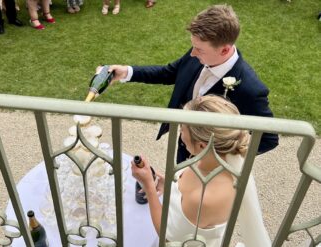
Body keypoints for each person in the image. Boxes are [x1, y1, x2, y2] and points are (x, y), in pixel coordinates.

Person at [105, 4, 279, 162]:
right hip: (184, 148)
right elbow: (169, 73)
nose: (193, 54)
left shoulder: (250, 89)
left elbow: (269, 139)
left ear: (224, 49)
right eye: (193, 46)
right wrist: (127, 72)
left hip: (212, 166)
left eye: (200, 49)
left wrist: (222, 154)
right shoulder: (199, 53)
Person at [131, 95, 271, 246]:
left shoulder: (205, 198)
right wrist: (168, 184)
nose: (180, 134)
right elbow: (185, 195)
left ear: (202, 146)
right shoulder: (211, 160)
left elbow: (167, 236)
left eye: (182, 129)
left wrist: (149, 187)